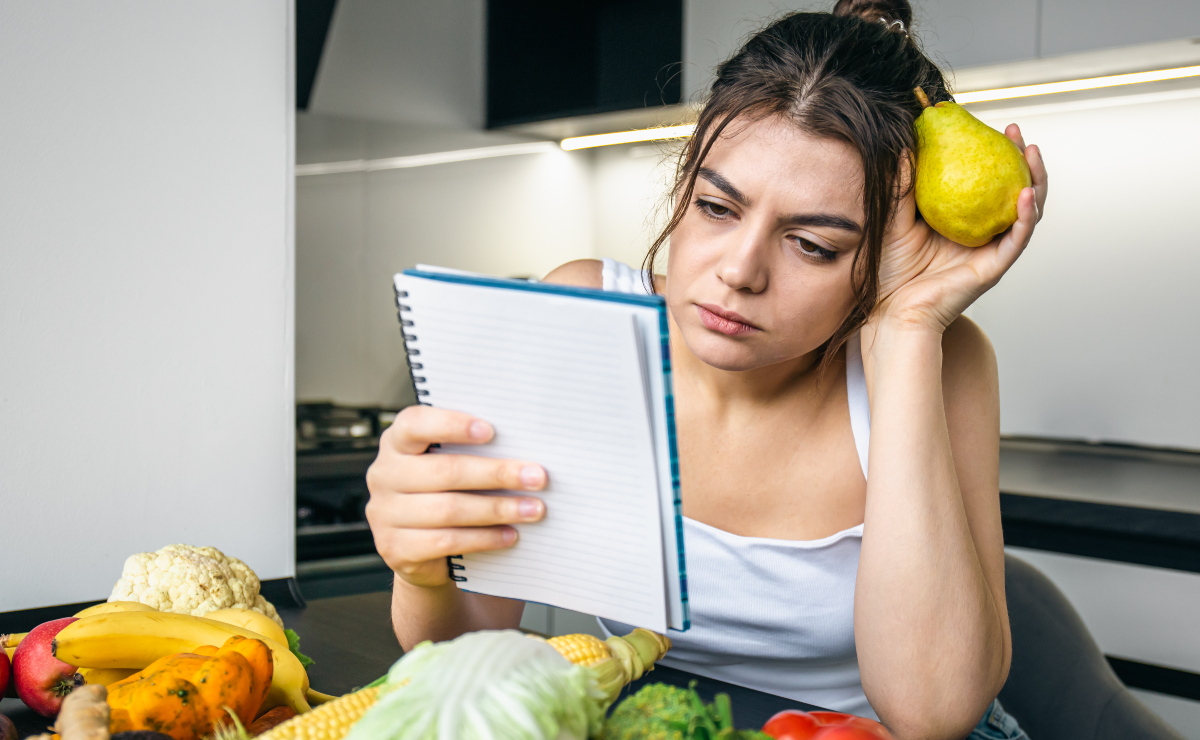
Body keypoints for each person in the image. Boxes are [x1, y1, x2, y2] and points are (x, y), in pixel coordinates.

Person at [365, 0, 1047, 737]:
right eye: (719, 208)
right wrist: (422, 568)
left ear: (881, 256)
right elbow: (466, 653)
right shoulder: (583, 313)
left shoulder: (942, 361)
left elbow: (932, 714)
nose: (740, 272)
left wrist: (906, 329)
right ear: (685, 182)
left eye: (812, 245)